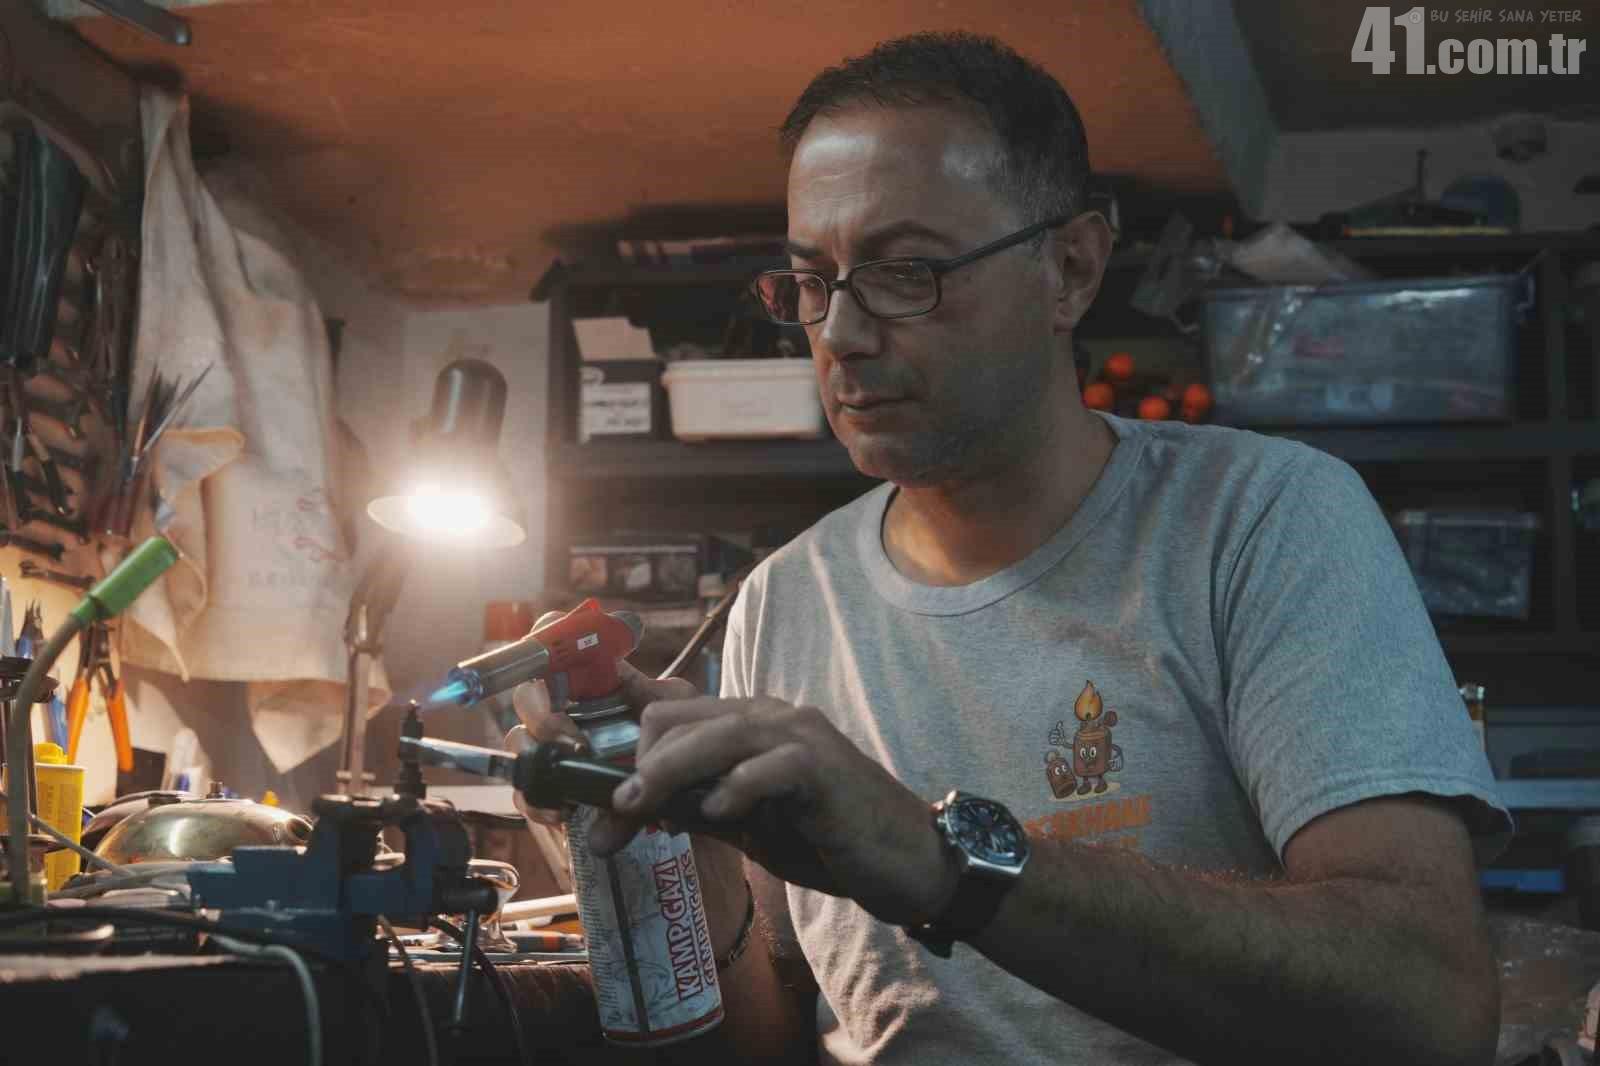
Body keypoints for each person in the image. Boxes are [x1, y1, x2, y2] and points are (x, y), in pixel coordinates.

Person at [510, 31, 1511, 1066]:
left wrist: (937, 860)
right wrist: (673, 853)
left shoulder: (1262, 520)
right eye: (811, 280)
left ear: (1069, 268)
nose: (840, 333)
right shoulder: (785, 598)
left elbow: (1426, 1009)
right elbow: (772, 1035)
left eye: (906, 270)